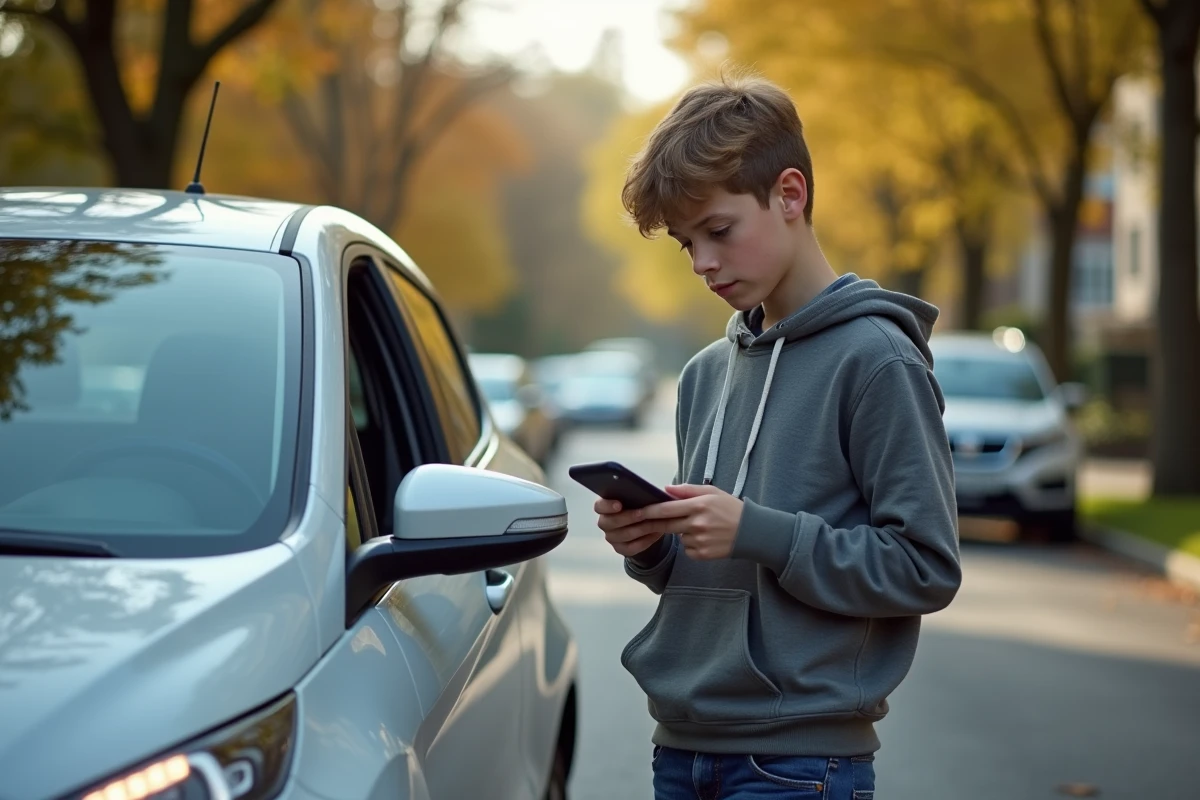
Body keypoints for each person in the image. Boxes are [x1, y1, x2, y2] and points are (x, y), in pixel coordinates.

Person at [595, 71, 962, 799]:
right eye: (684, 243)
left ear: (790, 195)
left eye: (719, 231)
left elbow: (925, 566)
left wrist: (759, 531)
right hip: (682, 748)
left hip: (799, 763)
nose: (702, 263)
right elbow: (707, 576)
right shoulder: (705, 375)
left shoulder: (876, 360)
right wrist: (652, 547)